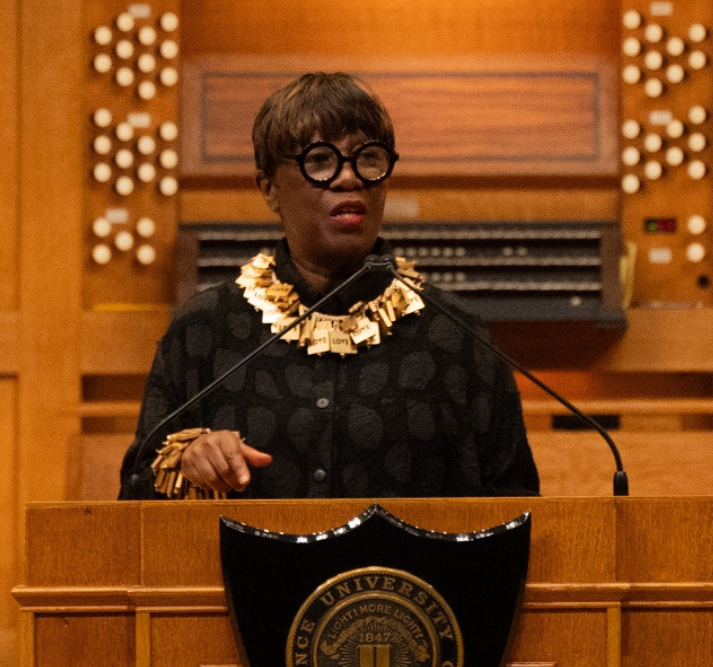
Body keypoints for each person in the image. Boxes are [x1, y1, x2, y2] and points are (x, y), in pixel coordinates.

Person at [118, 73, 539, 500]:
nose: (349, 178)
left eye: (369, 158)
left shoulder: (457, 335)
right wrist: (186, 461)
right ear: (269, 189)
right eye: (319, 160)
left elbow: (517, 508)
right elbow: (134, 506)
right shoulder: (204, 332)